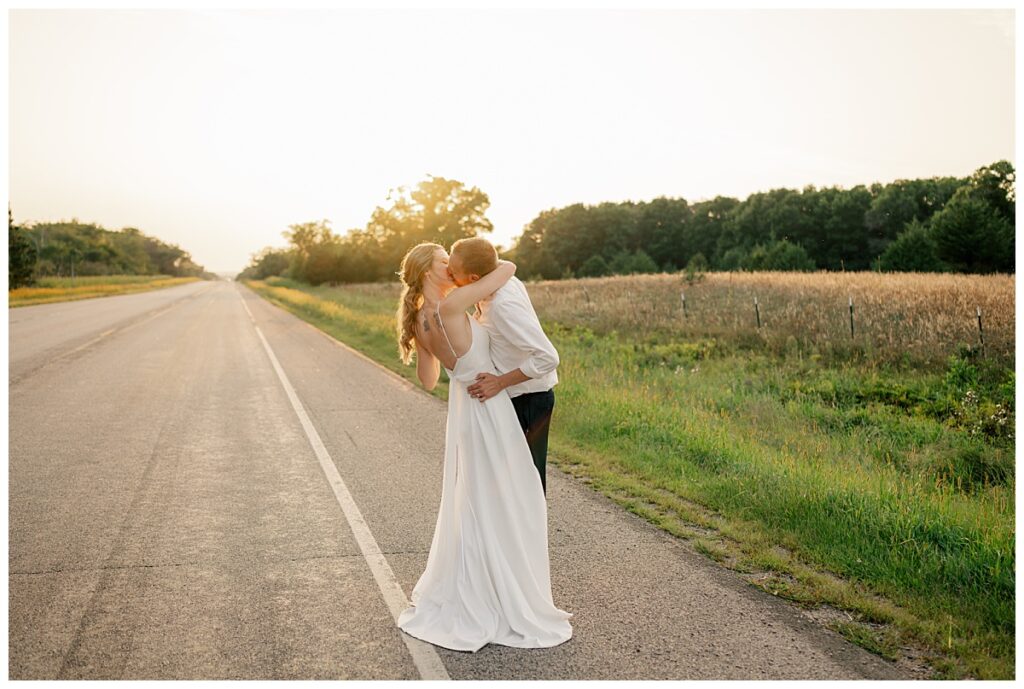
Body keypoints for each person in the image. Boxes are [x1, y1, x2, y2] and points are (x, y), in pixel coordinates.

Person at [393, 242, 573, 653]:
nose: (450, 266)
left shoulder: (421, 318)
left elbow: (427, 379)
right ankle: (505, 592)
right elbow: (503, 269)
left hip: (463, 406)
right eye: (444, 262)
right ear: (432, 272)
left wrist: (440, 351)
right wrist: (502, 260)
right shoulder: (454, 304)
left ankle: (482, 584)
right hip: (489, 406)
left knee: (474, 500)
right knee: (511, 500)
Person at [448, 237, 559, 495]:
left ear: (474, 278)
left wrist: (500, 382)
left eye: (453, 273)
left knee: (527, 478)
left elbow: (548, 357)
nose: (448, 275)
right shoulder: (493, 285)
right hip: (513, 398)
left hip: (530, 400)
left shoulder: (503, 305)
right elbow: (505, 264)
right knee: (506, 478)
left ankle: (531, 535)